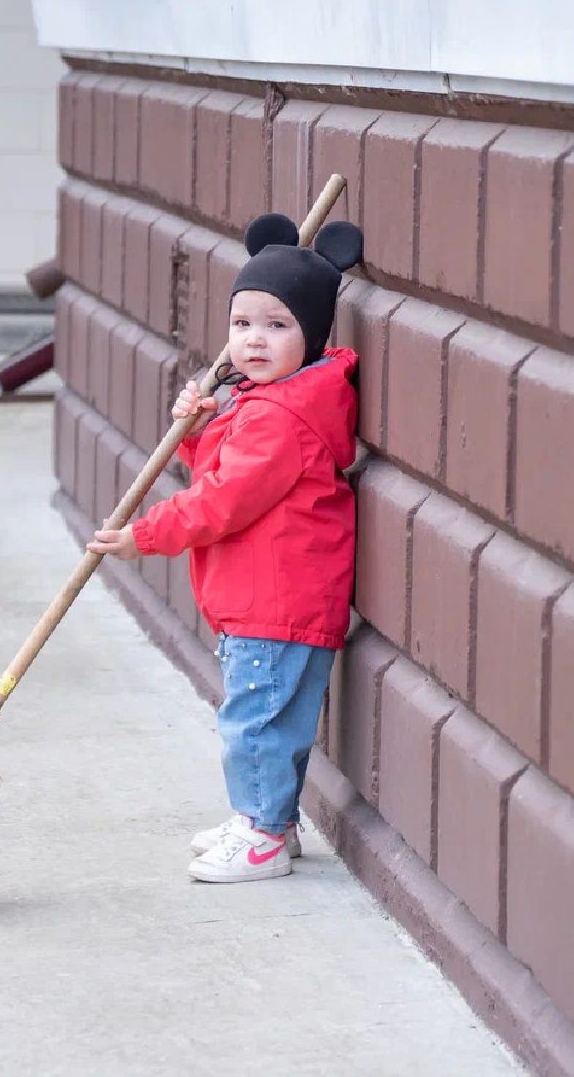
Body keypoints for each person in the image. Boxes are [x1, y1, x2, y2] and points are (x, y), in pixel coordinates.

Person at [87, 212, 363, 883]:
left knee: (255, 724)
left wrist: (143, 537)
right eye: (243, 325)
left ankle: (264, 834)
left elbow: (221, 502)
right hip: (280, 598)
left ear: (314, 334)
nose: (254, 340)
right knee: (271, 722)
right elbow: (223, 471)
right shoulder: (269, 401)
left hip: (275, 600)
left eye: (277, 326)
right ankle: (268, 823)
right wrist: (197, 427)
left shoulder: (279, 418)